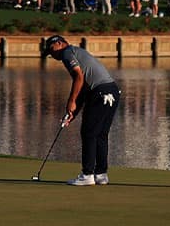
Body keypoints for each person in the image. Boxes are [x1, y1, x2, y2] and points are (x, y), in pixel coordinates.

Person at [40, 35, 121, 185]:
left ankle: (87, 175)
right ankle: (101, 174)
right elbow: (83, 87)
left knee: (89, 133)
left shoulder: (67, 52)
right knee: (100, 134)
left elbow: (79, 77)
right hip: (112, 91)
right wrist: (74, 112)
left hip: (100, 92)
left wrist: (71, 101)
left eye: (52, 49)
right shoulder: (77, 52)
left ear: (60, 43)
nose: (52, 54)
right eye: (49, 53)